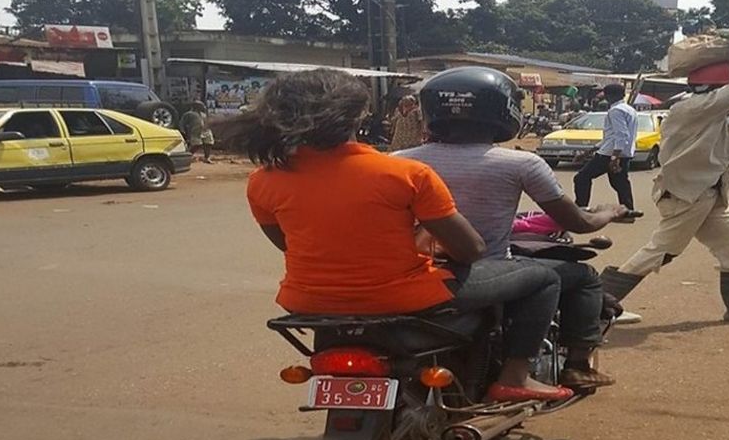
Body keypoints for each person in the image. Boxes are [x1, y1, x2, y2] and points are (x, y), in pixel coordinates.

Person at [220, 69, 573, 402]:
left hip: (306, 301)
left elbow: (286, 243)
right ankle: (515, 376)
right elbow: (471, 251)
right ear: (358, 116)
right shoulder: (405, 173)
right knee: (543, 278)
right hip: (405, 297)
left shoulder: (262, 180)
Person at [399, 66, 629, 389]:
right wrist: (609, 212)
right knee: (583, 277)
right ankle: (571, 367)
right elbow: (579, 222)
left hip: (414, 270)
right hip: (485, 270)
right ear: (506, 111)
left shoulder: (398, 160)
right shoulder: (521, 163)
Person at [600, 29, 729, 324]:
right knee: (660, 251)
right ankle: (596, 307)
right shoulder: (695, 109)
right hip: (687, 196)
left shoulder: (711, 117)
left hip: (708, 195)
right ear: (718, 89)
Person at [573, 84, 645, 222]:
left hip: (610, 154)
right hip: (623, 153)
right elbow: (610, 137)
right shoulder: (630, 110)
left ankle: (581, 209)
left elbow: (621, 135)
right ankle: (628, 212)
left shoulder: (615, 111)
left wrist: (614, 158)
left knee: (581, 178)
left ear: (610, 96)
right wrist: (589, 151)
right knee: (620, 183)